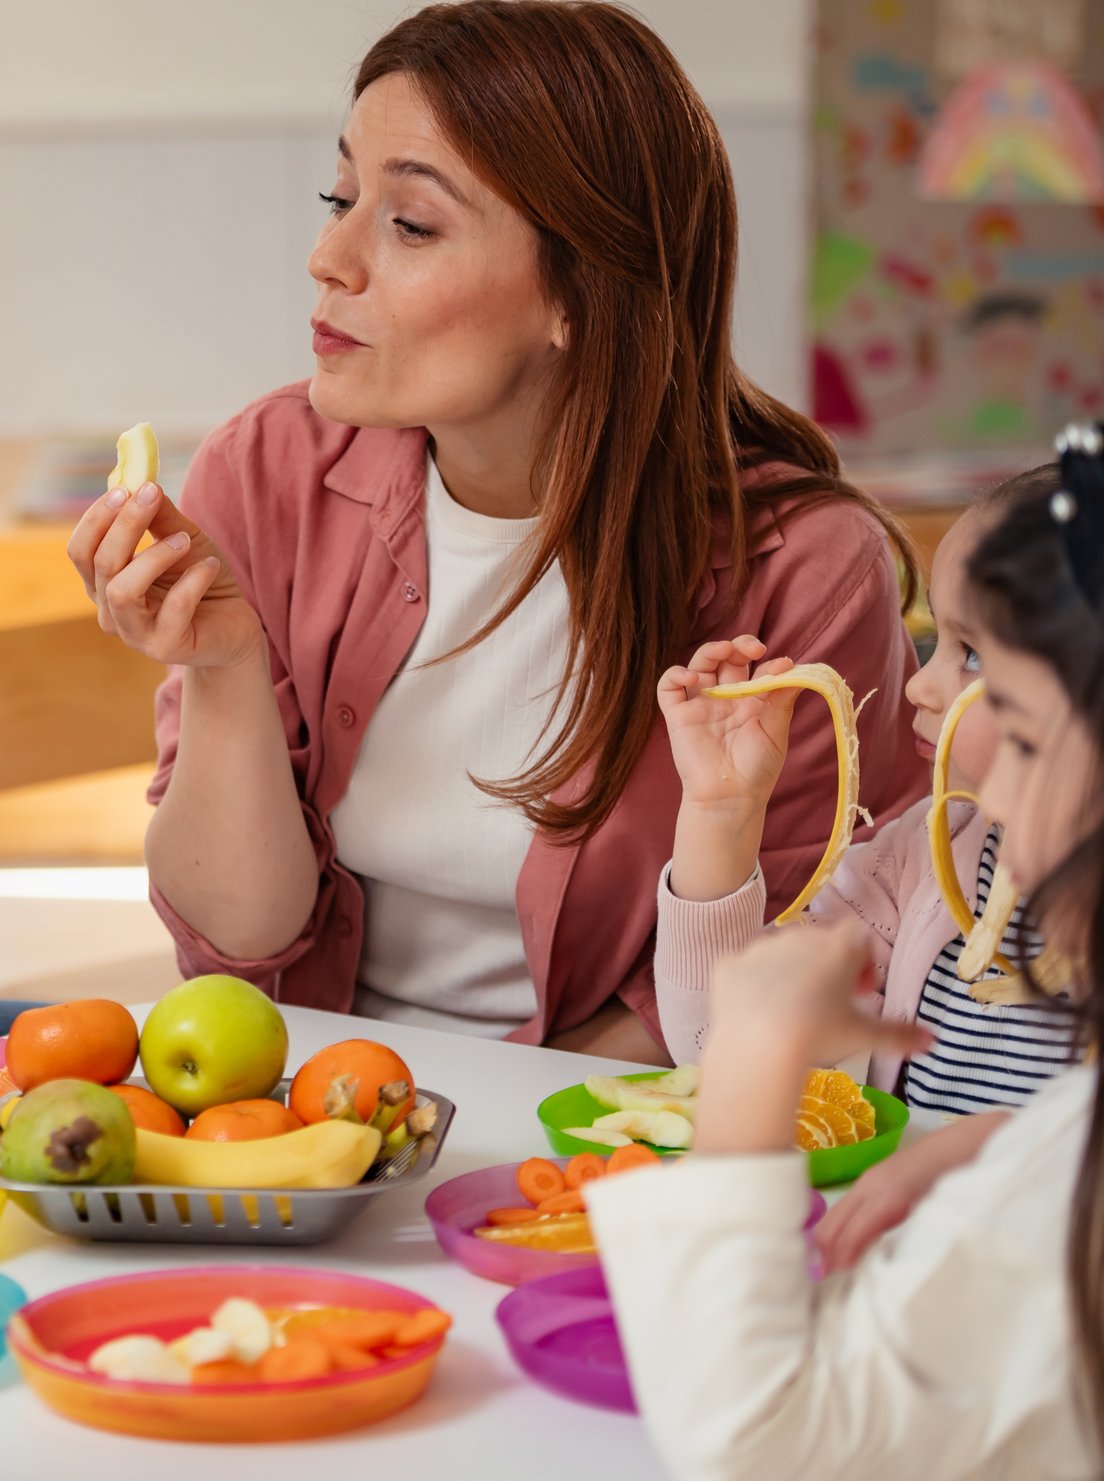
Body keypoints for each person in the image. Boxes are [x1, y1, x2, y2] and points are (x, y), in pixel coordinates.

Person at [69, 1, 918, 1058]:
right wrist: (225, 668)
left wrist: (477, 1147)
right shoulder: (265, 470)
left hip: (593, 1133)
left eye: (410, 225)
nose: (329, 257)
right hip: (312, 1104)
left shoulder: (802, 572)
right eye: (338, 197)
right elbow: (240, 943)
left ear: (580, 291)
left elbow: (786, 961)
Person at [590, 423, 1104, 1481]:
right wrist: (721, 818)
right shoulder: (925, 864)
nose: (921, 686)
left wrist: (762, 1070)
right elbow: (719, 1039)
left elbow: (742, 1440)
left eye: (993, 691)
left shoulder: (1063, 1194)